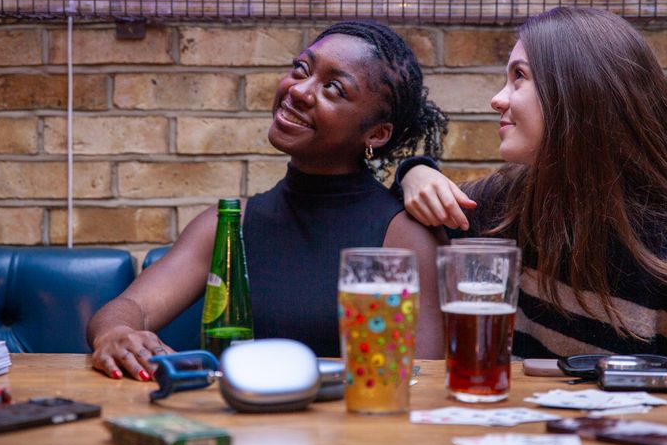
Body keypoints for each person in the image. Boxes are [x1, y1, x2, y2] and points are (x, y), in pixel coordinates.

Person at [88, 21, 448, 380]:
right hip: (243, 429)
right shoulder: (231, 222)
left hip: (348, 431)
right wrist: (117, 335)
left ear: (376, 133)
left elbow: (422, 376)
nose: (300, 90)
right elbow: (129, 307)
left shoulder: (400, 234)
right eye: (301, 69)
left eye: (334, 88)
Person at [398, 7, 667, 365]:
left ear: (580, 89)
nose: (497, 99)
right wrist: (414, 173)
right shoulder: (505, 202)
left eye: (519, 76)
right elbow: (402, 216)